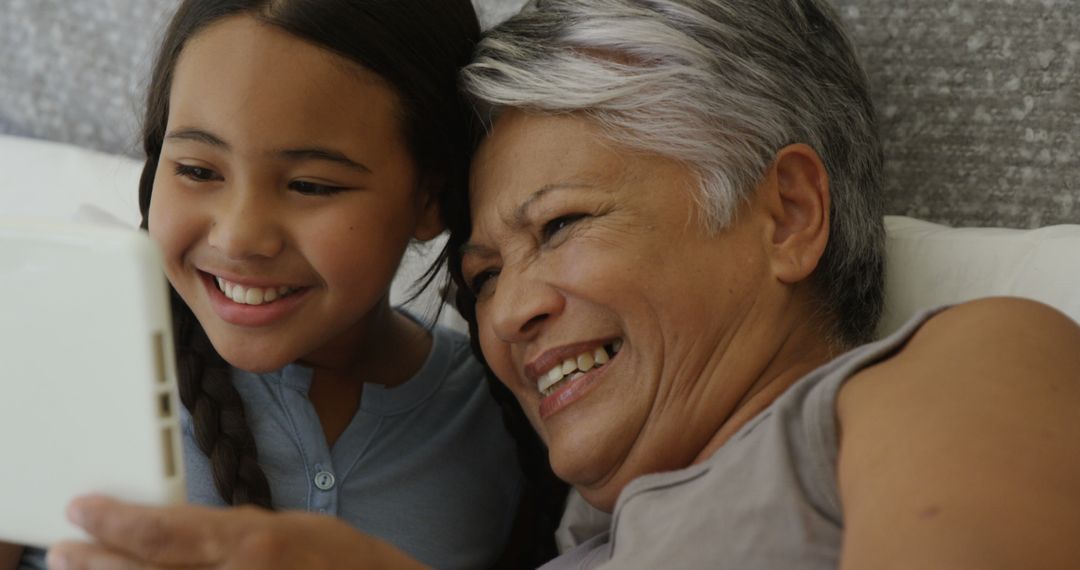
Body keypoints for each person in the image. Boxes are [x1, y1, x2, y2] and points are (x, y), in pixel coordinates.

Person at [43, 0, 1080, 568]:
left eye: (564, 225)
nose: (510, 314)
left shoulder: (965, 362)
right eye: (482, 276)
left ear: (790, 214)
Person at [0, 1, 559, 569]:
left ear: (432, 198)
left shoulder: (507, 415)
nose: (240, 237)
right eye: (197, 170)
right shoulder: (55, 361)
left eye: (311, 185)